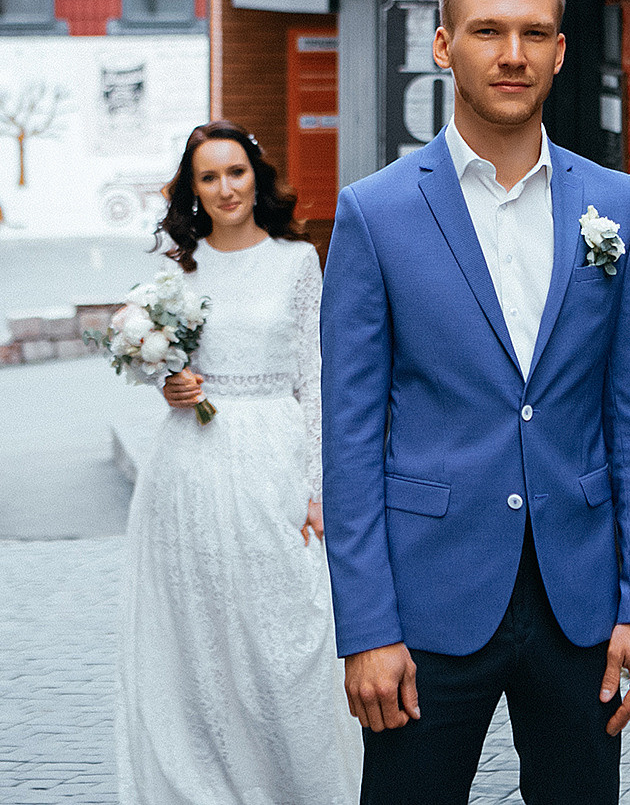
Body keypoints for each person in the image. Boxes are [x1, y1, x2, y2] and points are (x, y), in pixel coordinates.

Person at [321, 0, 630, 804]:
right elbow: (349, 438)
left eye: (534, 33)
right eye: (486, 31)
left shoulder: (615, 203)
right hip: (428, 602)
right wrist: (366, 628)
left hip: (581, 601)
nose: (512, 55)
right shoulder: (375, 215)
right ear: (442, 44)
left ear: (561, 48)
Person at [115, 120, 361, 805]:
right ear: (193, 191)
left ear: (257, 175)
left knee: (287, 638)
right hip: (190, 467)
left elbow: (314, 378)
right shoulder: (176, 272)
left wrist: (318, 489)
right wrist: (170, 383)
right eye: (209, 177)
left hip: (273, 461)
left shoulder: (296, 260)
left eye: (236, 172)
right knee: (202, 639)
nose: (225, 188)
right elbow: (166, 362)